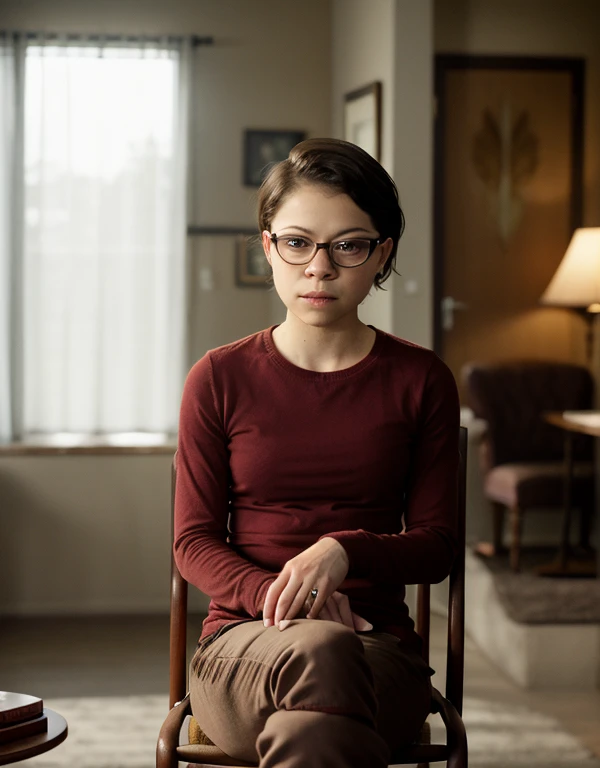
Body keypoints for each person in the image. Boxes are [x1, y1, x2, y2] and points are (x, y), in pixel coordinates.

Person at [174, 137, 460, 768]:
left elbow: (439, 545)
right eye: (298, 242)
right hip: (245, 647)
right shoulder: (218, 378)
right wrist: (288, 598)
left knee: (323, 696)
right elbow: (192, 543)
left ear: (381, 253)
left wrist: (344, 549)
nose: (320, 268)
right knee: (321, 652)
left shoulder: (422, 380)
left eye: (349, 245)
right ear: (269, 245)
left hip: (375, 648)